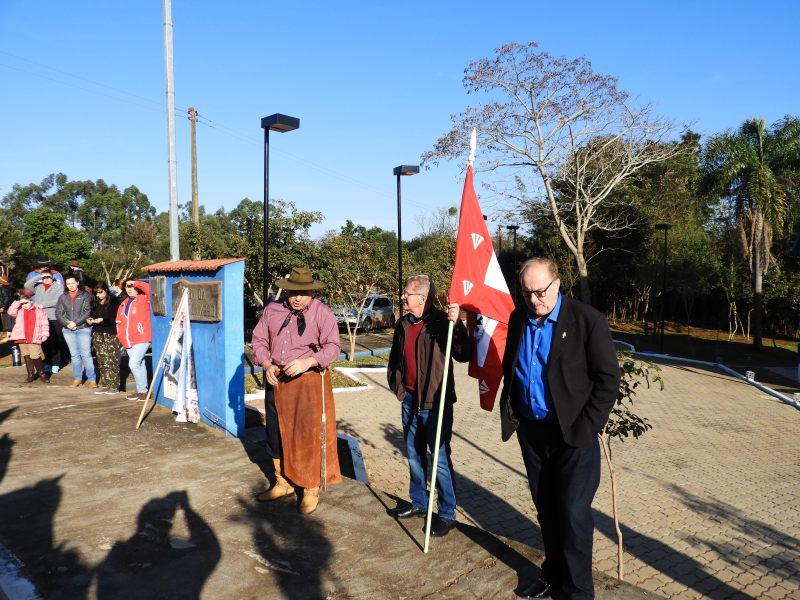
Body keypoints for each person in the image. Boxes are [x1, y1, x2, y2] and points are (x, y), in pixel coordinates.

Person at [498, 258, 620, 600]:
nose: (533, 299)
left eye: (539, 292)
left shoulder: (587, 319)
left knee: (573, 515)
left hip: (573, 436)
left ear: (557, 284)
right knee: (547, 510)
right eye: (526, 293)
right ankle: (552, 575)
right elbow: (513, 367)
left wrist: (587, 426)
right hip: (532, 433)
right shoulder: (518, 317)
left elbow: (608, 379)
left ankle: (578, 592)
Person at [251, 267, 341, 515]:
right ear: (286, 291)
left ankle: (310, 489)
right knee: (275, 432)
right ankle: (283, 483)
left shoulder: (322, 312)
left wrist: (308, 361)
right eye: (293, 293)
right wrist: (267, 364)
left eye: (303, 293)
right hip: (277, 381)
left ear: (311, 292)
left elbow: (333, 346)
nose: (298, 298)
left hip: (309, 383)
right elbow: (259, 340)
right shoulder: (272, 310)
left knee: (308, 437)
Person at [386, 275, 471, 538]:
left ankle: (447, 513)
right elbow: (395, 359)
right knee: (414, 455)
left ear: (422, 298)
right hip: (410, 400)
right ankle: (420, 503)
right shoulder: (403, 323)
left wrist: (458, 326)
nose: (403, 297)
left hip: (436, 402)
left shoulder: (442, 322)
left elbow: (464, 354)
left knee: (439, 459)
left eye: (407, 293)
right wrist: (398, 387)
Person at [56, 274, 96, 388]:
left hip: (83, 328)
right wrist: (67, 324)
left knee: (86, 354)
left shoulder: (85, 295)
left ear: (77, 282)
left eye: (73, 283)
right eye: (68, 284)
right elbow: (58, 313)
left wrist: (75, 323)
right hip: (68, 329)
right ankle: (77, 378)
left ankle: (92, 379)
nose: (71, 286)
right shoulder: (62, 297)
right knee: (74, 355)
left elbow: (87, 312)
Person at [25, 268, 66, 373]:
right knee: (44, 341)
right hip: (40, 318)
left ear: (53, 277)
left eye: (48, 277)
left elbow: (58, 300)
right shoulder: (38, 287)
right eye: (44, 277)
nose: (46, 279)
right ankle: (48, 362)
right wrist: (40, 276)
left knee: (55, 340)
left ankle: (56, 363)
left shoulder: (59, 287)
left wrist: (42, 305)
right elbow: (27, 285)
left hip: (53, 316)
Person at [116, 279, 151, 401]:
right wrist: (121, 336)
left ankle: (142, 391)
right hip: (128, 339)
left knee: (133, 364)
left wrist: (135, 282)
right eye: (127, 286)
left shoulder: (144, 298)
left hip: (142, 337)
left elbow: (150, 289)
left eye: (132, 286)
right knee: (140, 364)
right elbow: (120, 322)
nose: (130, 289)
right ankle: (142, 391)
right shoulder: (124, 302)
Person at [87, 282, 122, 394]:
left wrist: (103, 320)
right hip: (97, 333)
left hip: (111, 332)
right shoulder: (95, 302)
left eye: (100, 292)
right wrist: (90, 320)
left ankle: (115, 385)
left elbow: (117, 319)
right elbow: (92, 315)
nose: (98, 295)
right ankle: (106, 384)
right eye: (97, 293)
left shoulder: (114, 301)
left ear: (106, 290)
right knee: (102, 360)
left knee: (112, 360)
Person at [7, 294, 50, 383]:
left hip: (34, 336)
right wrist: (18, 302)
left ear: (31, 301)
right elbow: (10, 312)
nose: (24, 305)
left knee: (35, 355)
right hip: (22, 336)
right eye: (22, 303)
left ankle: (42, 374)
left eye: (26, 303)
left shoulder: (39, 311)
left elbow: (44, 323)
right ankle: (30, 374)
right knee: (26, 355)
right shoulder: (19, 310)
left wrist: (44, 334)